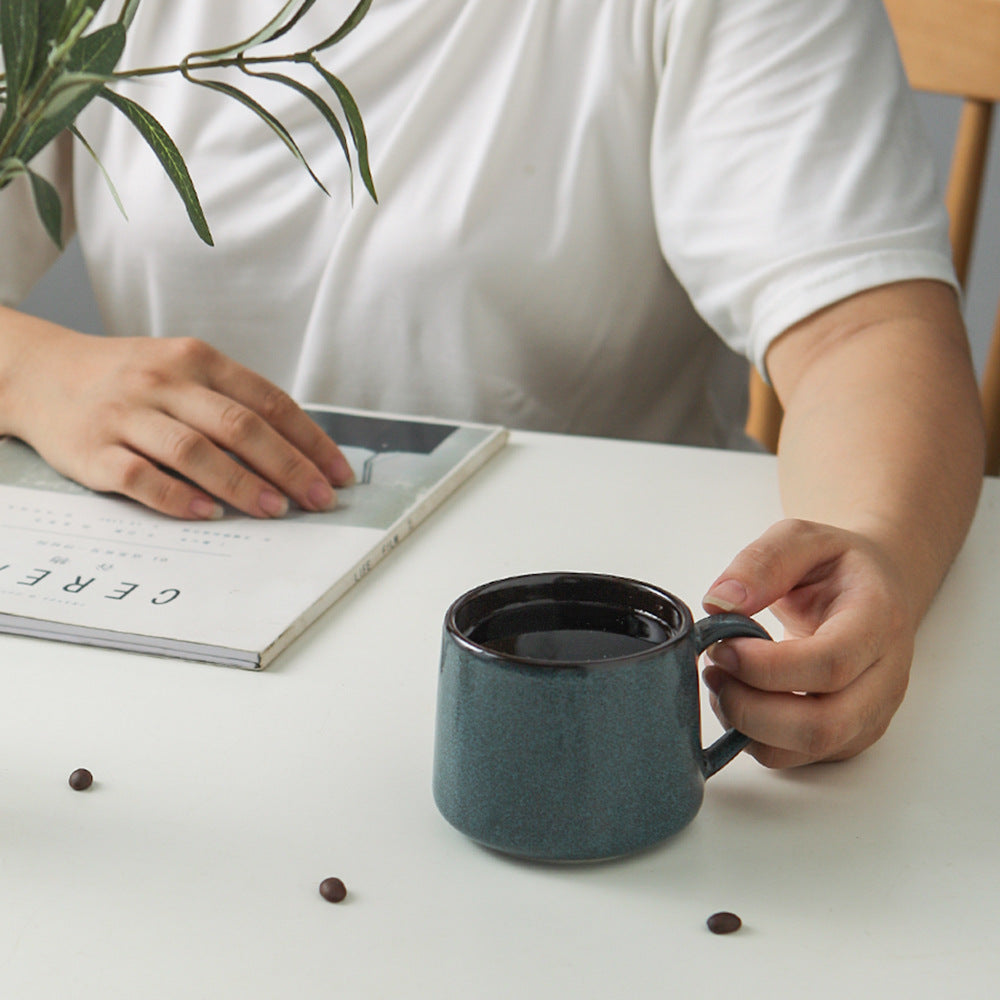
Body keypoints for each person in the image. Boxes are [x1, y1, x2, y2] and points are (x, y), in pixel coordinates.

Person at [0, 0, 984, 767]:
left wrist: (874, 549)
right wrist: (26, 368)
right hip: (158, 654)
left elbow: (862, 329)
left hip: (574, 681)